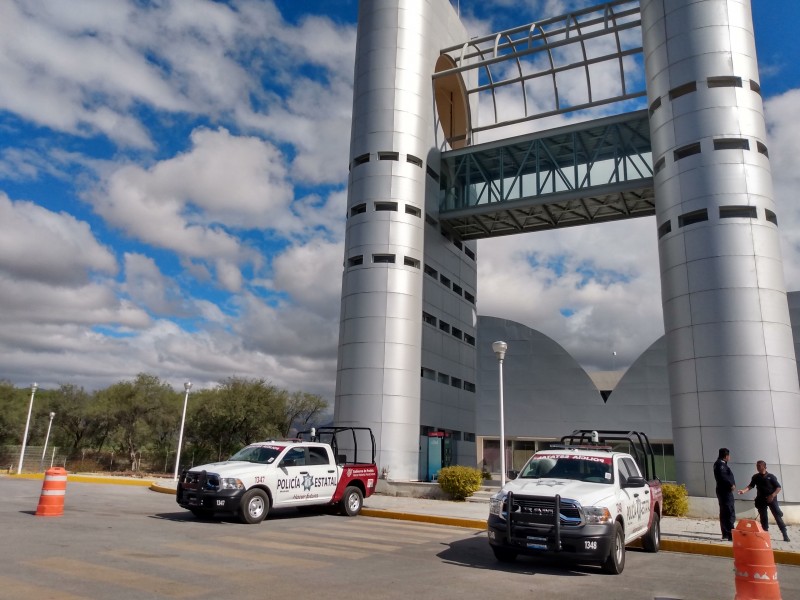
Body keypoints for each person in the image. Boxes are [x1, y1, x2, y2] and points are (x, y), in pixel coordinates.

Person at [738, 461, 790, 542]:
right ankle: (765, 534)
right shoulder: (755, 477)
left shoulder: (771, 477)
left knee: (777, 516)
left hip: (771, 499)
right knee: (763, 517)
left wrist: (772, 496)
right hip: (761, 499)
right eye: (757, 466)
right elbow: (751, 486)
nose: (757, 467)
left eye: (759, 466)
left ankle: (784, 534)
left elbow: (778, 487)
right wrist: (743, 491)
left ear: (764, 467)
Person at [713, 448, 736, 540]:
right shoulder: (720, 464)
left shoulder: (720, 464)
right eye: (728, 456)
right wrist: (731, 485)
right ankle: (730, 533)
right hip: (725, 491)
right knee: (728, 511)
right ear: (726, 456)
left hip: (722, 491)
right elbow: (723, 476)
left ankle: (726, 533)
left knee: (725, 512)